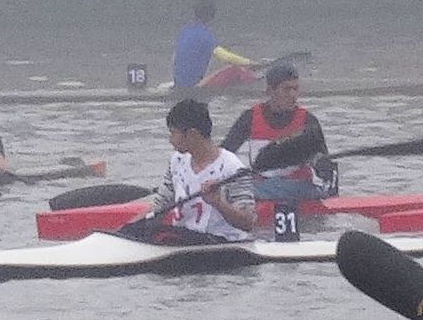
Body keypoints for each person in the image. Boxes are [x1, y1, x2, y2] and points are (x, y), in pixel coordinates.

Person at [119, 99, 254, 245]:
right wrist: (124, 231)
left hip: (222, 243)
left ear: (192, 134)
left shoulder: (233, 168)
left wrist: (219, 203)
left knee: (165, 235)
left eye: (173, 133)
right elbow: (161, 203)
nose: (170, 140)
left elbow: (248, 223)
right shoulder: (177, 161)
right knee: (150, 232)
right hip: (183, 239)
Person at [219, 62, 333, 200]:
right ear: (269, 91)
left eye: (295, 89)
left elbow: (326, 171)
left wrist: (322, 165)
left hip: (298, 189)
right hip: (261, 187)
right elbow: (224, 154)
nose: (292, 95)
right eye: (286, 89)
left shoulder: (308, 121)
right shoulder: (250, 117)